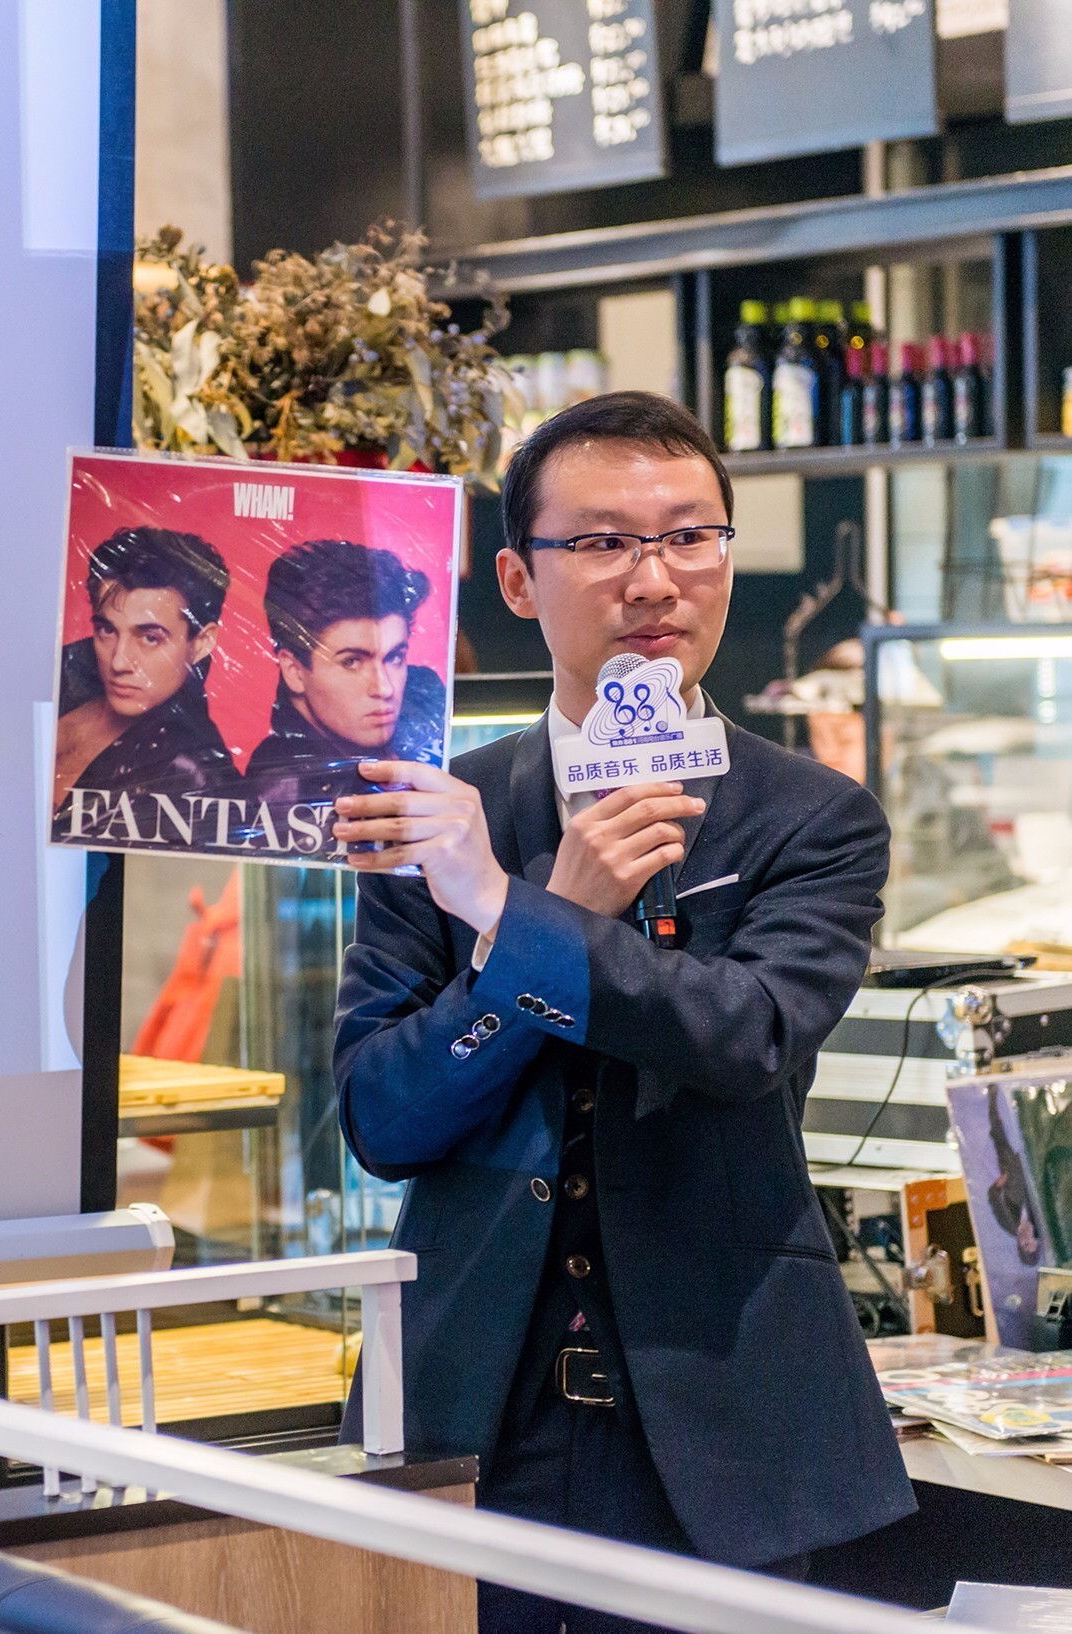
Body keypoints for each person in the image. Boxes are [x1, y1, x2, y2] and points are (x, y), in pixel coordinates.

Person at [331, 391, 916, 1634]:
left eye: (688, 536)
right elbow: (383, 1117)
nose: (653, 579)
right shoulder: (439, 810)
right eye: (601, 542)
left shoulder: (811, 817)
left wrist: (520, 915)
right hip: (469, 1407)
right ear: (516, 577)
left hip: (719, 1418)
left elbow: (746, 1036)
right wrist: (537, 913)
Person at [52, 526, 238, 839]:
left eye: (150, 638)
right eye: (108, 630)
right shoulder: (61, 675)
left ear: (202, 643)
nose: (119, 662)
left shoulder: (196, 776)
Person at [243, 537, 446, 811]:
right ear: (294, 671)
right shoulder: (281, 791)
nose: (384, 688)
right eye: (351, 662)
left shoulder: (428, 711)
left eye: (394, 657)